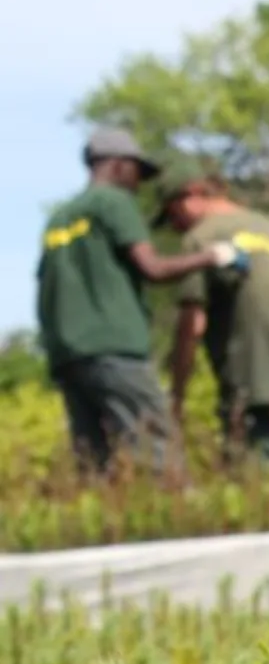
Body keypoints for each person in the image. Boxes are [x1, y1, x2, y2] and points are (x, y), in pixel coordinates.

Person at [34, 129, 245, 472]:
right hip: (116, 349)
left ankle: (101, 523)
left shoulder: (60, 218)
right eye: (137, 173)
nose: (139, 185)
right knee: (156, 447)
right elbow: (154, 268)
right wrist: (214, 256)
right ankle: (176, 521)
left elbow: (46, 284)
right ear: (118, 166)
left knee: (94, 460)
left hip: (68, 357)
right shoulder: (113, 202)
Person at [155, 160, 269, 468]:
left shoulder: (201, 238)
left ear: (192, 195)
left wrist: (177, 394)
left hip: (256, 378)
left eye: (173, 215)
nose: (175, 227)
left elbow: (193, 322)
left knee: (255, 482)